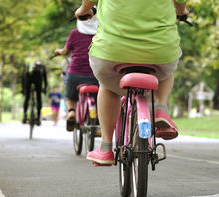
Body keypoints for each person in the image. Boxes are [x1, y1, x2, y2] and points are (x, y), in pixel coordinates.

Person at [75, 0, 188, 165]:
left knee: (107, 85)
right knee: (167, 69)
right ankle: (161, 109)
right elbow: (180, 3)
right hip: (159, 52)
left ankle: (106, 147)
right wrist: (181, 11)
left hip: (111, 52)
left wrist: (83, 9)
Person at [54, 16, 99, 131]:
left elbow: (65, 51)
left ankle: (71, 112)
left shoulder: (74, 33)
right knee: (100, 98)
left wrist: (59, 52)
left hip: (75, 74)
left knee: (69, 97)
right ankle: (98, 120)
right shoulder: (100, 35)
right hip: (95, 75)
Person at [22, 60, 48, 125]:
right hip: (38, 78)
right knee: (38, 98)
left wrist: (23, 89)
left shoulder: (28, 65)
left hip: (28, 78)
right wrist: (44, 88)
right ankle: (38, 118)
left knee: (27, 97)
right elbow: (45, 79)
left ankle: (25, 116)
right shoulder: (42, 66)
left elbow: (23, 77)